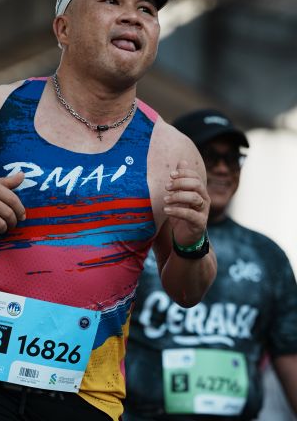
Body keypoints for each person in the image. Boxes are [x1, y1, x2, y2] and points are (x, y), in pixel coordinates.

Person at [0, 0, 217, 421]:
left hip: (89, 395)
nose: (133, 15)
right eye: (111, 1)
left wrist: (192, 243)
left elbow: (187, 292)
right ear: (63, 28)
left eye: (147, 9)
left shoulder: (173, 152)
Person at [124, 109, 297, 421]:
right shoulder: (136, 236)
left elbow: (290, 352)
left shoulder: (267, 254)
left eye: (233, 158)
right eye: (209, 156)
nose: (222, 168)